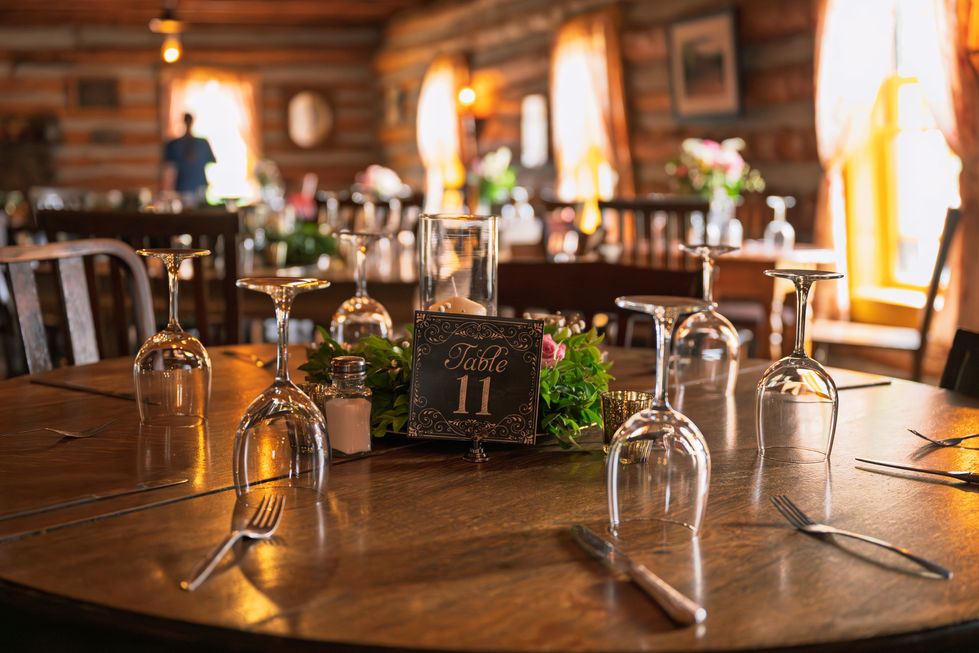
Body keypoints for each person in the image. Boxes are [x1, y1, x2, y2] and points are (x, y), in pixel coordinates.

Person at [162, 112, 216, 208]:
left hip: (198, 190)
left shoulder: (201, 143)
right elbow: (168, 172)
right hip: (183, 190)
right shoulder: (175, 144)